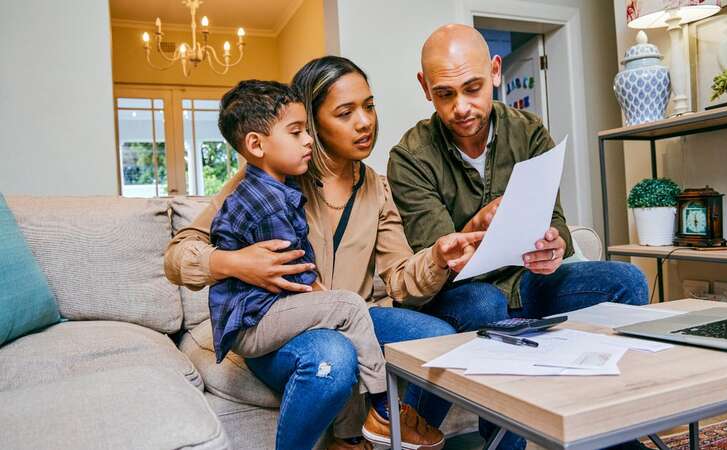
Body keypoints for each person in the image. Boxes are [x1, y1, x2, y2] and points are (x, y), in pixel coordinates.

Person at [164, 57, 484, 450]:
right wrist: (234, 263)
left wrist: (437, 256)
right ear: (313, 122)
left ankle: (384, 432)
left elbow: (400, 278)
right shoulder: (273, 175)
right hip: (282, 325)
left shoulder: (377, 188)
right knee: (333, 357)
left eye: (369, 106)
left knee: (439, 340)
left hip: (354, 314)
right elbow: (178, 255)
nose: (365, 122)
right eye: (345, 112)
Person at [386, 24, 650, 450]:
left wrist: (555, 244)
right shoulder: (410, 156)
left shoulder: (528, 131)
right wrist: (476, 226)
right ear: (425, 88)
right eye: (445, 94)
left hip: (529, 282)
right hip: (467, 292)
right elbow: (435, 256)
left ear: (494, 72)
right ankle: (503, 438)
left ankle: (605, 426)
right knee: (484, 302)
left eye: (472, 88)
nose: (461, 107)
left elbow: (557, 220)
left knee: (628, 281)